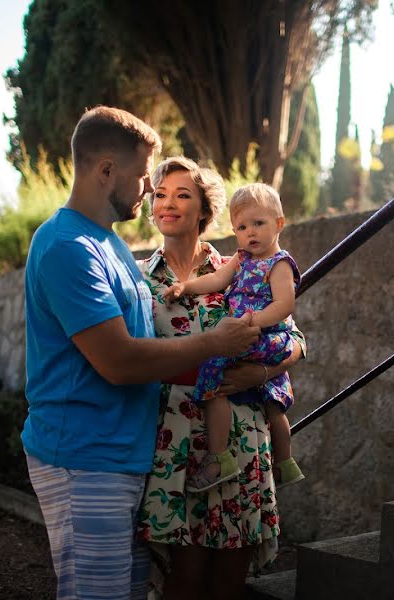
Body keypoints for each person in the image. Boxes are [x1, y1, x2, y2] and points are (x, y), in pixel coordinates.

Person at [21, 108, 259, 600]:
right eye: (144, 174)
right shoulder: (68, 247)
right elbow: (120, 361)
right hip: (85, 458)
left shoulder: (107, 244)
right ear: (107, 170)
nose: (149, 189)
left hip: (126, 460)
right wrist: (215, 345)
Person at [136, 157, 306, 600]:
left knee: (231, 579)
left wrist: (265, 370)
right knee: (184, 577)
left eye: (182, 194)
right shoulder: (137, 280)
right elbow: (130, 356)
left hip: (242, 440)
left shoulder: (244, 263)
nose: (168, 203)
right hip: (173, 443)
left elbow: (297, 339)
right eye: (160, 194)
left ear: (205, 210)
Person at [162, 183, 304, 493]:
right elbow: (217, 278)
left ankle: (219, 457)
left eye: (258, 223)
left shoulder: (278, 264)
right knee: (273, 402)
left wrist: (249, 322)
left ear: (279, 224)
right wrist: (185, 286)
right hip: (252, 337)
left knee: (212, 376)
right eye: (241, 227)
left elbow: (285, 305)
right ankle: (285, 464)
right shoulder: (241, 259)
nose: (250, 232)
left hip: (259, 336)